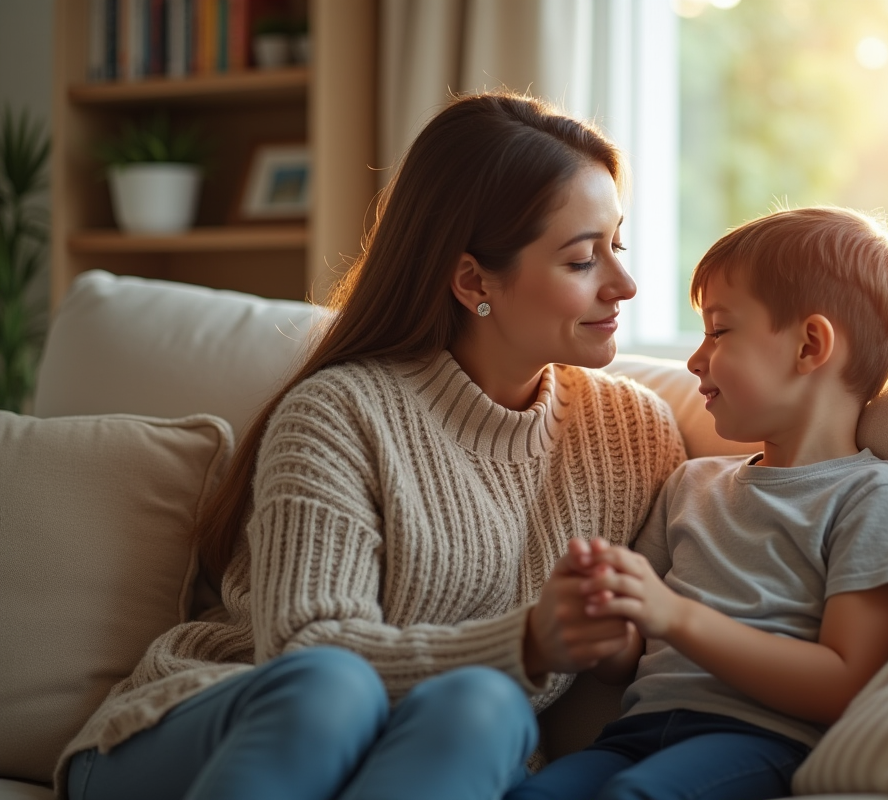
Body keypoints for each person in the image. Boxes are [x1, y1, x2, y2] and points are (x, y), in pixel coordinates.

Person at [58, 91, 687, 800]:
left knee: (488, 706)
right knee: (335, 687)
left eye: (619, 246)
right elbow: (306, 652)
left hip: (414, 755)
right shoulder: (341, 413)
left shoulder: (634, 435)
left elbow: (650, 649)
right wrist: (528, 642)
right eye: (582, 261)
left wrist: (613, 633)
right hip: (212, 731)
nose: (625, 285)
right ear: (474, 280)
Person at [507, 206, 888, 800]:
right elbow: (632, 660)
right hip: (633, 733)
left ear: (809, 345)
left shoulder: (873, 497)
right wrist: (612, 618)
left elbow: (844, 682)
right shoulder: (691, 483)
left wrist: (674, 615)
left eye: (719, 330)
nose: (695, 359)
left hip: (757, 740)